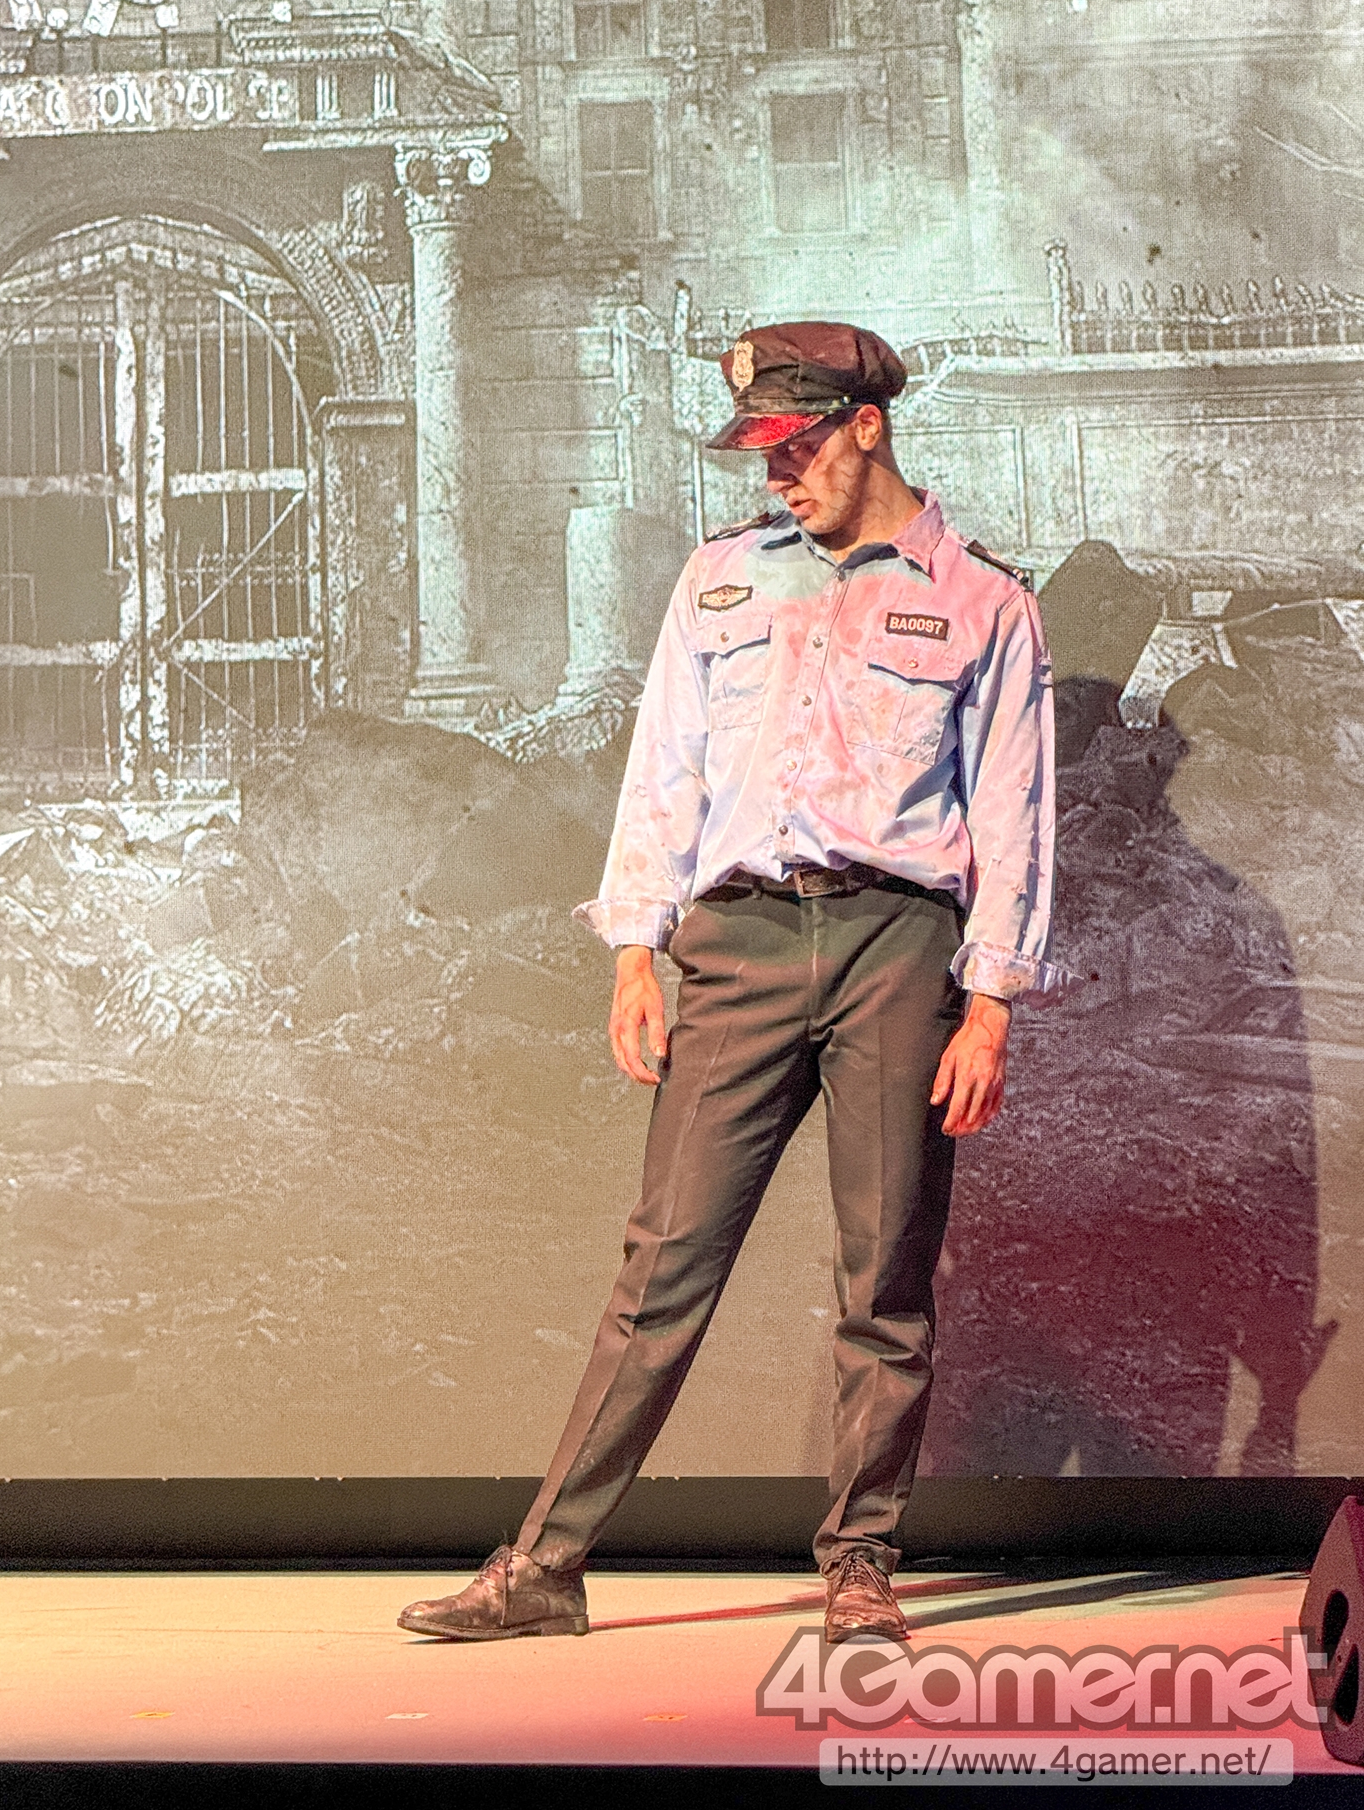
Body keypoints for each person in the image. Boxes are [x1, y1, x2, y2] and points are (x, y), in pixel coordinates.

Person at [399, 321, 1071, 1646]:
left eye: (796, 447)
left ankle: (860, 1566)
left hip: (896, 950)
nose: (776, 476)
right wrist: (634, 947)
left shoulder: (985, 602)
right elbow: (664, 771)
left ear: (867, 427)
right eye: (760, 454)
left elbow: (1015, 813)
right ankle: (543, 1567)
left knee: (883, 1277)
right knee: (663, 1264)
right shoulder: (719, 580)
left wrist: (990, 1004)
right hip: (736, 946)